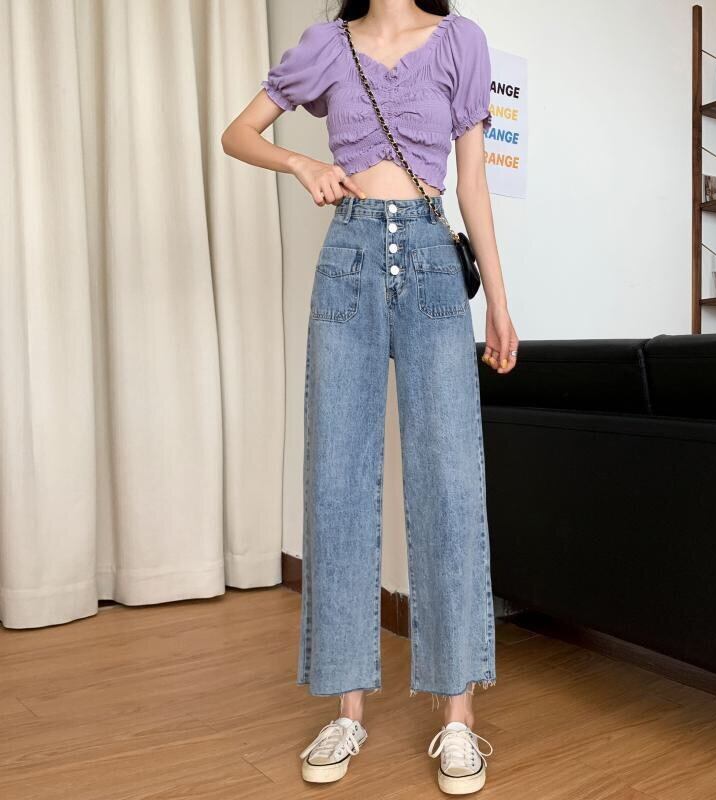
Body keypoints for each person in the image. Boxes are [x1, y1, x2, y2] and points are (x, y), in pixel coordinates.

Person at [221, 1, 518, 794]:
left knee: (450, 486)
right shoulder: (327, 44)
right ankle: (347, 709)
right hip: (347, 261)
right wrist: (300, 164)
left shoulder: (460, 42)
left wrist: (498, 301)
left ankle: (459, 719)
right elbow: (237, 133)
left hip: (431, 262)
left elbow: (473, 179)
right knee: (338, 485)